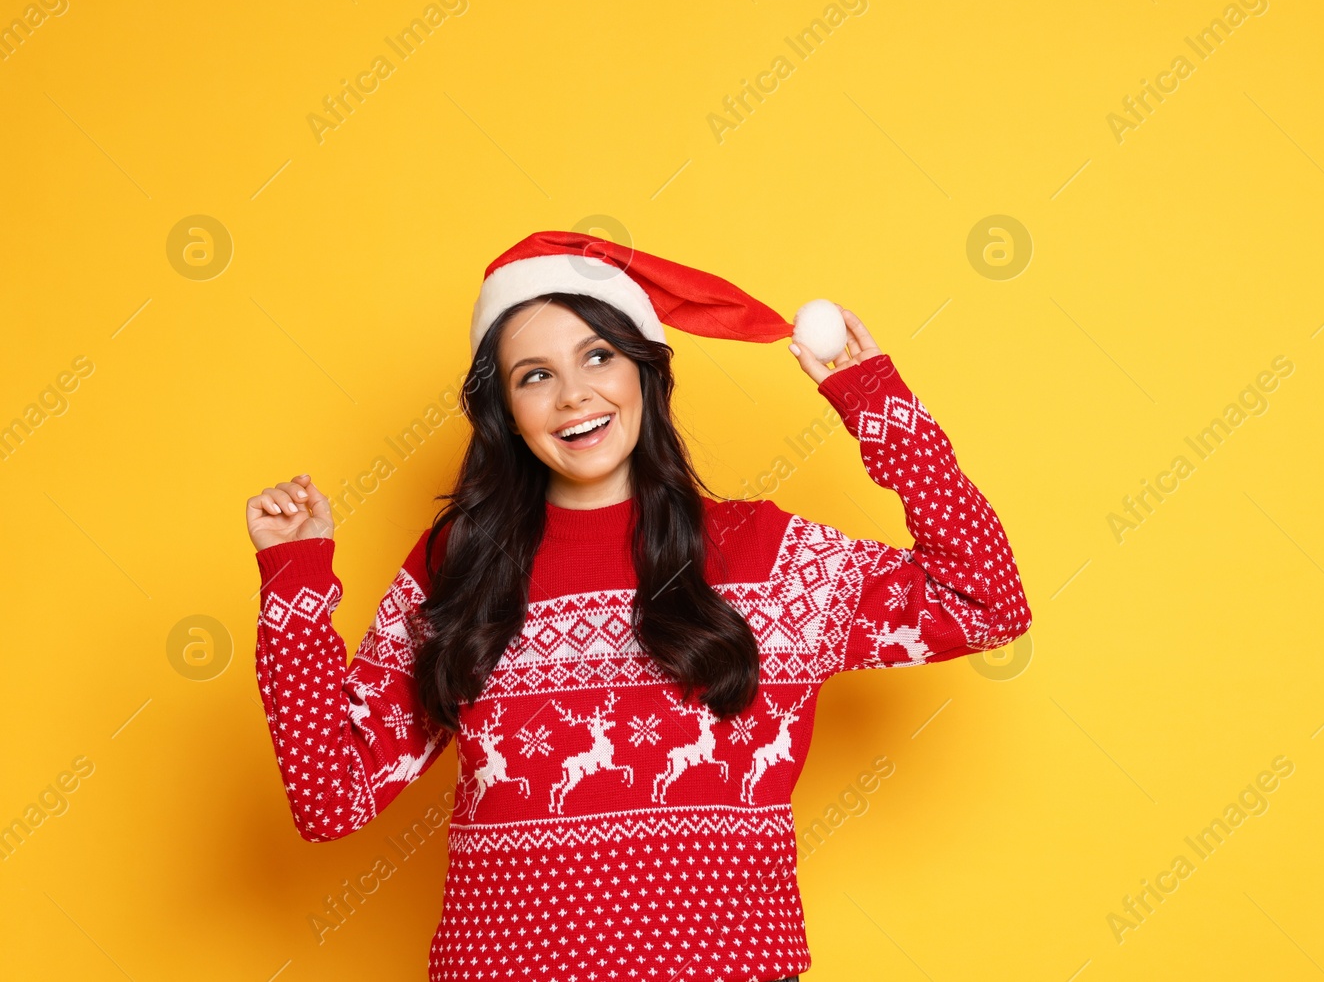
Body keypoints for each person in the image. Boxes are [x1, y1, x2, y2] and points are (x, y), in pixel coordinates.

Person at [245, 230, 1031, 981]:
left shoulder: (765, 555)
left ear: (645, 372)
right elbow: (330, 795)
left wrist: (873, 401)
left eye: (599, 355)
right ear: (505, 409)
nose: (574, 394)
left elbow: (986, 601)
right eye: (534, 375)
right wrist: (295, 576)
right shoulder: (460, 566)